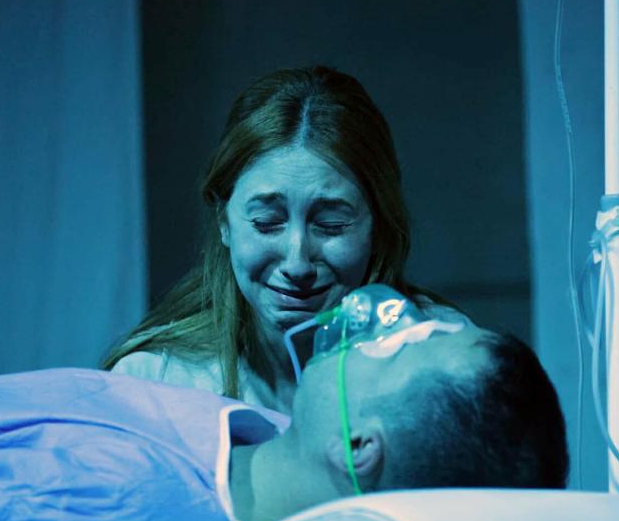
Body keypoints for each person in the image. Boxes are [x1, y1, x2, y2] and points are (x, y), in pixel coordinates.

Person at [0, 319, 567, 521]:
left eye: (401, 346)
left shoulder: (110, 499)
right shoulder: (252, 430)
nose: (382, 323)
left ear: (356, 448)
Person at [103, 66, 466, 413]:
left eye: (332, 224)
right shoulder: (153, 384)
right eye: (267, 222)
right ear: (224, 221)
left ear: (379, 226)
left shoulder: (448, 360)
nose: (297, 264)